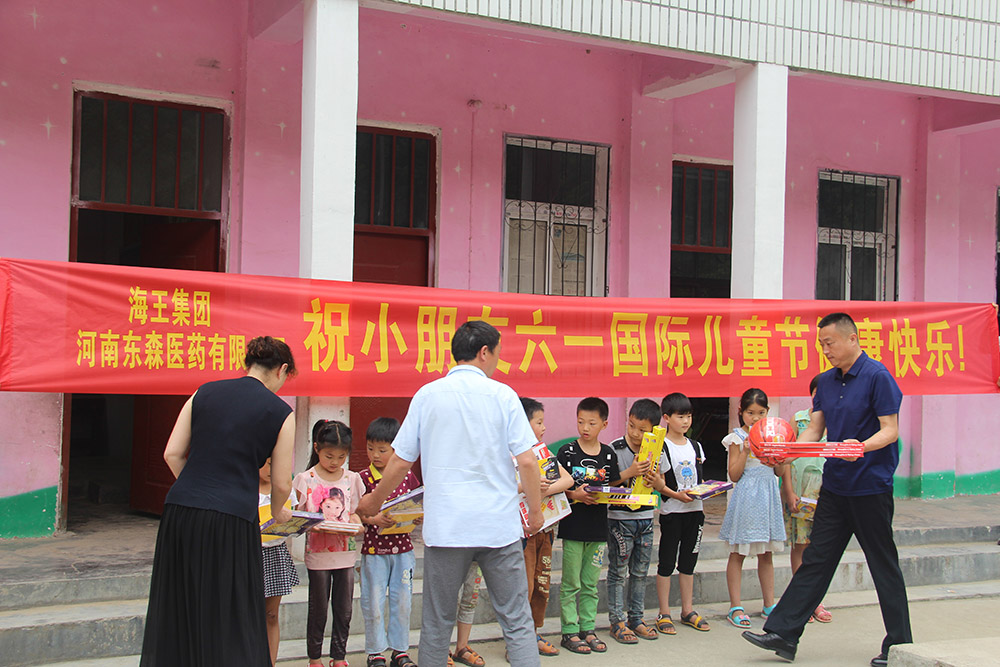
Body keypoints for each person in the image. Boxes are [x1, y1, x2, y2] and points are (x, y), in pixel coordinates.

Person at [356, 321, 544, 667]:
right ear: (484, 352)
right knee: (517, 621)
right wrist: (535, 512)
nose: (497, 361)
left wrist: (373, 500)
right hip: (498, 528)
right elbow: (528, 462)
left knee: (437, 624)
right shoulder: (503, 395)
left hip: (447, 528)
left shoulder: (428, 395)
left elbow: (400, 461)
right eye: (497, 354)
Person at [744, 313, 911, 667]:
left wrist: (860, 447)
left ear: (852, 339)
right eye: (821, 344)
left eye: (830, 343)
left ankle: (898, 644)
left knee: (883, 565)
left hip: (870, 486)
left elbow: (890, 429)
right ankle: (784, 633)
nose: (825, 350)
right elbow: (814, 430)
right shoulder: (826, 381)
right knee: (816, 559)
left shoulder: (878, 377)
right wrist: (786, 453)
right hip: (834, 486)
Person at [139, 335, 296, 667]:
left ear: (248, 363)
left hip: (181, 510)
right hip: (232, 516)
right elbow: (282, 481)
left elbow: (172, 453)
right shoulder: (281, 412)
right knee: (229, 611)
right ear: (281, 370)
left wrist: (198, 488)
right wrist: (278, 511)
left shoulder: (203, 392)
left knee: (182, 604)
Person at [293, 420, 365, 667]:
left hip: (345, 553)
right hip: (318, 553)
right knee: (318, 609)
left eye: (341, 457)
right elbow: (298, 516)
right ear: (317, 449)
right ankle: (315, 658)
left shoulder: (352, 478)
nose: (335, 462)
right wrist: (312, 525)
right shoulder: (306, 479)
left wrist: (357, 524)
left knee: (344, 609)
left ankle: (339, 657)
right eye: (329, 456)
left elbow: (354, 512)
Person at [718, 388, 787, 629]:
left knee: (766, 554)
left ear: (768, 412)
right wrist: (746, 450)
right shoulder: (736, 438)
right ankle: (736, 606)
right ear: (741, 412)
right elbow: (734, 475)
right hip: (747, 497)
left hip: (768, 497)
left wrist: (778, 454)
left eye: (760, 413)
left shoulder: (774, 436)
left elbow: (779, 472)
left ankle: (769, 604)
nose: (755, 418)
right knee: (738, 552)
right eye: (750, 413)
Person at [556, 397, 619, 655]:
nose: (585, 427)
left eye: (592, 423)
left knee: (591, 583)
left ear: (604, 424)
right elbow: (555, 489)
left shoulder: (608, 454)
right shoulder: (567, 452)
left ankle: (588, 628)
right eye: (581, 421)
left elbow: (613, 486)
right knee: (571, 583)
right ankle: (569, 631)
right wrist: (575, 495)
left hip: (598, 529)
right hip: (573, 528)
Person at [358, 417, 420, 667]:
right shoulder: (362, 478)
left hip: (403, 551)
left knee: (402, 601)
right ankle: (375, 652)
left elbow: (417, 502)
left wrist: (416, 516)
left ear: (396, 449)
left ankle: (400, 650)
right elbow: (356, 511)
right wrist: (374, 519)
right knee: (373, 601)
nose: (375, 455)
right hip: (374, 551)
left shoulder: (407, 476)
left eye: (382, 450)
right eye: (370, 448)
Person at [605, 398, 665, 644]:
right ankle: (617, 621)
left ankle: (636, 619)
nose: (635, 433)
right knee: (618, 572)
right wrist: (630, 472)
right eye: (631, 426)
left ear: (653, 430)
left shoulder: (657, 449)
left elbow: (661, 482)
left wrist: (655, 480)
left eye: (642, 430)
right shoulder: (614, 448)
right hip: (620, 519)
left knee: (640, 572)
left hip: (645, 518)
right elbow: (607, 482)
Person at [519, 397, 574, 656]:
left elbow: (567, 480)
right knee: (524, 585)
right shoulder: (509, 455)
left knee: (541, 583)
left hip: (546, 528)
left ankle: (533, 633)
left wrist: (542, 490)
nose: (544, 428)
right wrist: (529, 487)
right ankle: (518, 640)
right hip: (523, 531)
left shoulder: (543, 453)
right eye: (539, 422)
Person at [655, 392, 711, 634]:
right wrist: (677, 495)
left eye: (688, 416)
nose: (686, 421)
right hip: (672, 511)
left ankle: (688, 610)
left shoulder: (695, 446)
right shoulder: (661, 446)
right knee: (667, 562)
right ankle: (664, 612)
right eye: (680, 416)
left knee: (689, 562)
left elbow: (700, 478)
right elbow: (659, 483)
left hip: (695, 511)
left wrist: (708, 490)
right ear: (667, 418)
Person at [781, 374, 833, 624]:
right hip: (801, 491)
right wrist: (789, 491)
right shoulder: (799, 419)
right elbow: (787, 458)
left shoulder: (838, 422)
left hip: (827, 492)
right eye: (816, 392)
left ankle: (817, 600)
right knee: (800, 545)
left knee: (821, 548)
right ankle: (802, 602)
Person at [258, 458, 300, 666]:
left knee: (271, 614)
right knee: (246, 615)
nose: (271, 469)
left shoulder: (285, 489)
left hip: (276, 553)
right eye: (266, 463)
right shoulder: (244, 489)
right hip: (250, 554)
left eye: (276, 463)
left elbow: (294, 518)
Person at [451, 565, 485, 666]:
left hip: (475, 558)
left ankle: (462, 648)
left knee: (471, 599)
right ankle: (441, 650)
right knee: (449, 602)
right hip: (450, 558)